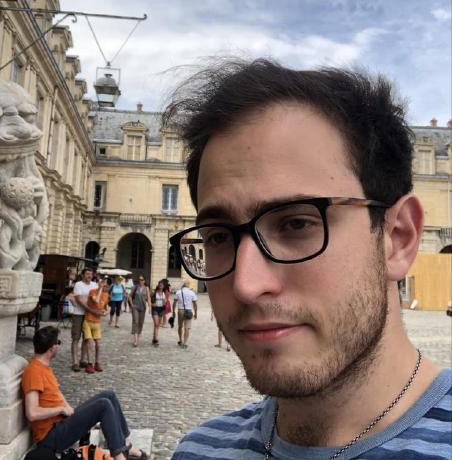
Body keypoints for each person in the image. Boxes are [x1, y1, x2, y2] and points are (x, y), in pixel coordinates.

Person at [165, 59, 452, 459]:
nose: (246, 285)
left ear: (398, 238)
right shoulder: (198, 451)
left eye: (297, 224)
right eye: (219, 236)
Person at [21, 326, 148, 459]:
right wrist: (61, 409)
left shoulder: (44, 367)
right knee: (103, 405)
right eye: (58, 342)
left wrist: (68, 409)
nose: (58, 346)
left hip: (62, 422)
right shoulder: (34, 372)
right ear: (52, 348)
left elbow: (55, 393)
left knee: (109, 395)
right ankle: (119, 456)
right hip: (51, 436)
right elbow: (32, 413)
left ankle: (125, 445)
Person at [71, 267, 97, 372]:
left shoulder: (94, 285)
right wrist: (90, 309)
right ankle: (75, 362)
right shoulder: (78, 285)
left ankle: (82, 359)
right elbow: (79, 300)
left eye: (91, 274)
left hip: (89, 315)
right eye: (87, 274)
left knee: (86, 338)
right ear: (83, 275)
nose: (89, 276)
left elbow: (97, 298)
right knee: (76, 338)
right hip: (78, 314)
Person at [82, 277, 110, 373]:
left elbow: (106, 308)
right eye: (102, 282)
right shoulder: (92, 292)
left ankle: (97, 363)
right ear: (98, 283)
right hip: (88, 320)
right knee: (89, 342)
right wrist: (100, 289)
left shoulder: (106, 295)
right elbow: (96, 301)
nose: (104, 284)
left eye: (105, 283)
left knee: (98, 344)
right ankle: (90, 364)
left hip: (97, 322)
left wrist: (105, 312)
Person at [172, 281, 197, 349]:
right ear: (188, 285)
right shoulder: (192, 292)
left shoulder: (178, 292)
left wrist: (173, 311)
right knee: (187, 328)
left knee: (180, 326)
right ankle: (185, 343)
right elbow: (195, 304)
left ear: (183, 285)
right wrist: (196, 313)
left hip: (180, 310)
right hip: (188, 311)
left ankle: (180, 340)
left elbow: (174, 303)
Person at [129, 275, 151, 347]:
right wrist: (132, 305)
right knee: (135, 322)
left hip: (143, 308)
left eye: (142, 280)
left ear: (144, 281)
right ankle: (135, 340)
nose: (140, 281)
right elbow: (130, 296)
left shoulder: (146, 288)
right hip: (135, 307)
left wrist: (150, 307)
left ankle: (138, 339)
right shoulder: (135, 287)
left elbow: (148, 298)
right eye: (139, 279)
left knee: (140, 323)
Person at [151, 281, 166, 346]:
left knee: (157, 325)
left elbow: (165, 302)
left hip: (161, 309)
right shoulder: (154, 293)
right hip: (155, 309)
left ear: (163, 286)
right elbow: (148, 300)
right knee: (156, 324)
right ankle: (156, 339)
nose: (160, 286)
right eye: (159, 285)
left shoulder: (164, 293)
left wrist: (165, 302)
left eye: (161, 285)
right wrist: (152, 304)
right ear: (158, 285)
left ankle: (154, 338)